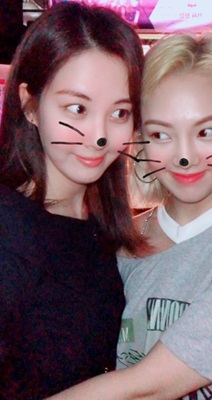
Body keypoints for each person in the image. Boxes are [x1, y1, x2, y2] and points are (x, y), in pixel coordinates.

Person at [48, 32, 212, 399]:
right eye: (161, 134)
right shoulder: (121, 243)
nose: (184, 157)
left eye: (207, 131)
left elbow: (146, 388)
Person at [0, 2, 145, 398]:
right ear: (30, 104)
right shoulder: (10, 233)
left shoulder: (101, 226)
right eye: (77, 109)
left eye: (120, 113)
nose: (99, 136)